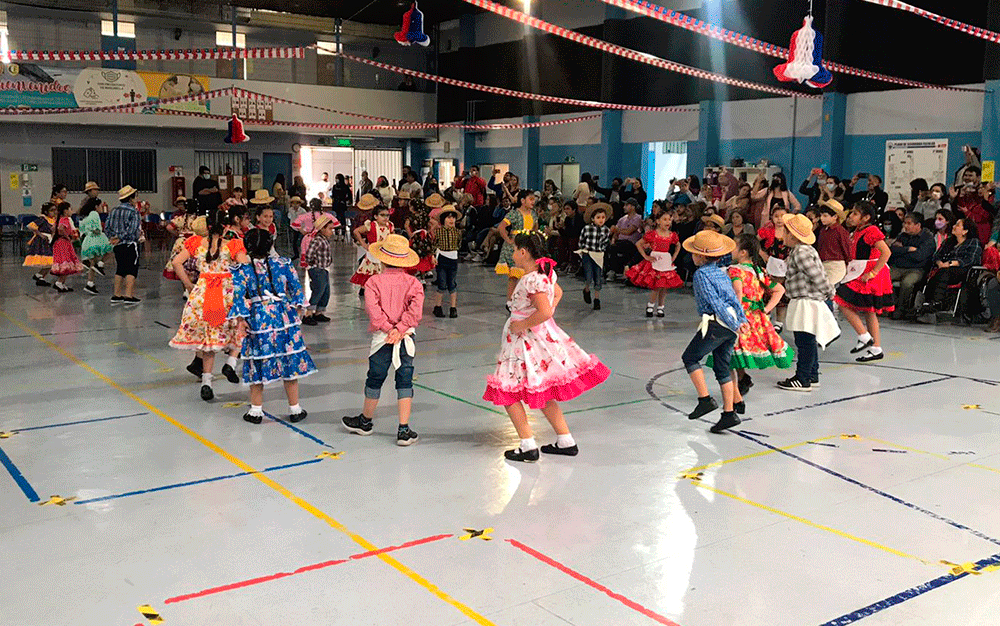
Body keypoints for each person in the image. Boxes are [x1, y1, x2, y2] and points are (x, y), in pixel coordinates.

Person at [483, 233, 610, 461]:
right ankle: (565, 440)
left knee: (508, 389)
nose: (512, 255)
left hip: (524, 340)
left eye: (514, 251)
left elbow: (545, 311)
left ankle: (527, 444)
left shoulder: (532, 278)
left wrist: (523, 323)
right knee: (542, 387)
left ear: (524, 252)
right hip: (537, 336)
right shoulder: (545, 273)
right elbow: (557, 294)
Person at [342, 234, 424, 446]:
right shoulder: (414, 283)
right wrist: (400, 329)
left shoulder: (373, 282)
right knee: (404, 380)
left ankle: (366, 421)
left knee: (375, 377)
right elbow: (415, 312)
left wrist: (389, 330)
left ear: (382, 258)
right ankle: (403, 429)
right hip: (406, 338)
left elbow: (373, 311)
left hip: (382, 338)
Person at [229, 229, 316, 424]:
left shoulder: (241, 270)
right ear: (270, 246)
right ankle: (295, 408)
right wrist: (299, 311)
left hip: (258, 319)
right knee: (288, 360)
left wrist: (241, 321)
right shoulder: (284, 264)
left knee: (257, 361)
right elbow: (296, 290)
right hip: (284, 317)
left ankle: (256, 410)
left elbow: (238, 298)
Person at [169, 208, 249, 401]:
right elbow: (245, 268)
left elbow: (176, 262)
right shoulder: (233, 245)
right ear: (226, 226)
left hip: (203, 292)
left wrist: (188, 284)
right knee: (242, 327)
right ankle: (231, 362)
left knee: (208, 341)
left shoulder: (196, 243)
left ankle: (206, 382)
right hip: (224, 292)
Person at [708, 234, 793, 407]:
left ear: (743, 252)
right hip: (755, 318)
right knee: (737, 350)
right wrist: (766, 310)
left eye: (734, 246)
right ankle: (741, 380)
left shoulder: (735, 270)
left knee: (729, 351)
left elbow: (737, 294)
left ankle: (735, 392)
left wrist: (731, 315)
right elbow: (779, 290)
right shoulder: (759, 271)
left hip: (740, 317)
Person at [680, 231, 748, 434]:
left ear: (700, 257)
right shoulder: (721, 271)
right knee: (722, 366)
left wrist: (732, 323)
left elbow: (715, 302)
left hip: (717, 323)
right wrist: (740, 320)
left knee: (690, 358)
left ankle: (704, 399)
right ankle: (728, 413)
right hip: (730, 326)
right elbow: (733, 299)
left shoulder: (701, 274)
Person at [779, 213, 839, 391]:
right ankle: (812, 375)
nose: (782, 235)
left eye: (785, 231)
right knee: (809, 340)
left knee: (804, 341)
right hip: (805, 301)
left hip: (805, 301)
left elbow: (816, 275)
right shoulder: (804, 250)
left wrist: (830, 291)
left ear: (793, 235)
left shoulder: (800, 252)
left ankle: (802, 377)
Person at [834, 201, 893, 362]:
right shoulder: (857, 231)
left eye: (855, 213)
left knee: (841, 300)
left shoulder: (871, 231)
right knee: (869, 310)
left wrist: (873, 272)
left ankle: (864, 335)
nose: (850, 216)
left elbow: (886, 252)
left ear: (866, 217)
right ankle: (876, 348)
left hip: (868, 273)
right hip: (859, 270)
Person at [917, 217, 983, 319]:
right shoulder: (949, 242)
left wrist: (951, 263)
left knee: (944, 273)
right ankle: (928, 304)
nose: (953, 227)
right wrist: (939, 263)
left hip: (963, 270)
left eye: (957, 225)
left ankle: (936, 303)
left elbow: (972, 259)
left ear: (965, 231)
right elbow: (936, 256)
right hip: (943, 268)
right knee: (938, 274)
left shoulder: (973, 242)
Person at [627, 209, 683, 317]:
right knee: (656, 286)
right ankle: (650, 305)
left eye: (669, 220)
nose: (668, 222)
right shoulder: (653, 234)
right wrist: (646, 256)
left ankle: (661, 307)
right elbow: (639, 243)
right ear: (658, 221)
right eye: (664, 219)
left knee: (664, 286)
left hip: (666, 260)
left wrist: (674, 256)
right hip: (656, 260)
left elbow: (678, 244)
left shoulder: (671, 235)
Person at [496, 189, 541, 300]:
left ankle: (526, 298)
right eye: (530, 199)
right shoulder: (515, 213)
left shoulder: (533, 214)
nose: (533, 202)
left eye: (533, 200)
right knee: (514, 275)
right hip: (516, 247)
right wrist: (508, 240)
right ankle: (510, 300)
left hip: (527, 247)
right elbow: (501, 227)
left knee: (529, 273)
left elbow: (535, 227)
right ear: (522, 200)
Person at [889, 212, 936, 318]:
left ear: (918, 225)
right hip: (898, 267)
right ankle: (888, 304)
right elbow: (892, 250)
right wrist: (908, 249)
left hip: (917, 269)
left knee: (907, 283)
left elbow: (919, 256)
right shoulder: (902, 236)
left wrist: (902, 250)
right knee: (883, 276)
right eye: (905, 223)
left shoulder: (928, 239)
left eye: (909, 223)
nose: (906, 226)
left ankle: (901, 308)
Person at [105, 186, 145, 305]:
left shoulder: (113, 210)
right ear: (131, 198)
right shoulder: (134, 211)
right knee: (131, 269)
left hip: (117, 245)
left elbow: (107, 227)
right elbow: (132, 230)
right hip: (130, 244)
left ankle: (116, 295)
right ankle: (128, 295)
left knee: (120, 268)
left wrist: (113, 238)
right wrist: (121, 237)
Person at [302, 214, 336, 326]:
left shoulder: (325, 240)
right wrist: (312, 263)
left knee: (326, 291)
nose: (332, 231)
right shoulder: (317, 240)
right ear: (322, 229)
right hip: (317, 269)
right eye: (330, 229)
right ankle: (308, 313)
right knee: (318, 290)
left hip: (324, 269)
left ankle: (319, 312)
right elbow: (309, 255)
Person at [352, 205, 394, 292]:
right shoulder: (371, 225)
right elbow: (356, 231)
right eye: (382, 215)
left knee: (382, 271)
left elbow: (393, 236)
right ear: (375, 216)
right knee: (370, 271)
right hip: (373, 253)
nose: (385, 218)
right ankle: (366, 289)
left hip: (385, 253)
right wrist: (363, 244)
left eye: (387, 215)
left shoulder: (390, 226)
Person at [431, 206, 463, 318]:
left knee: (452, 284)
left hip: (453, 259)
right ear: (443, 219)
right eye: (448, 217)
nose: (451, 220)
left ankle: (453, 308)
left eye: (453, 217)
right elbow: (434, 245)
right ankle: (438, 307)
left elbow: (459, 244)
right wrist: (433, 256)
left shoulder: (458, 232)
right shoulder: (439, 232)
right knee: (442, 283)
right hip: (442, 258)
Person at [579, 203, 611, 311]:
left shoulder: (606, 230)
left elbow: (606, 242)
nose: (601, 220)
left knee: (598, 277)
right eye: (598, 217)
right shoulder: (587, 228)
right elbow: (581, 240)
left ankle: (597, 299)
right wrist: (583, 251)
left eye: (603, 217)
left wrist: (603, 250)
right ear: (593, 219)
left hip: (599, 255)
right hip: (588, 254)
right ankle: (586, 289)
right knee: (588, 276)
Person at [816, 201, 852, 295]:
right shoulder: (823, 230)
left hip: (836, 265)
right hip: (823, 264)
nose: (821, 218)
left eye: (825, 216)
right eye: (821, 215)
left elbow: (847, 249)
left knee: (828, 291)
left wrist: (848, 262)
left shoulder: (840, 231)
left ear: (835, 217)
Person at [78, 197, 112, 295]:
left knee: (92, 263)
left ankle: (90, 283)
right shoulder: (94, 214)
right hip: (96, 238)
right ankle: (100, 264)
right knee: (109, 250)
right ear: (96, 206)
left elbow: (82, 229)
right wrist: (98, 230)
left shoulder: (86, 216)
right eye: (100, 206)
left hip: (87, 240)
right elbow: (97, 228)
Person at [49, 202, 83, 292]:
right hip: (63, 243)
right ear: (65, 211)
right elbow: (60, 228)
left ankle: (62, 282)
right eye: (70, 209)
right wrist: (67, 236)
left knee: (65, 263)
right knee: (66, 262)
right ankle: (59, 282)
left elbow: (53, 228)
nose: (72, 211)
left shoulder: (59, 219)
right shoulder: (65, 219)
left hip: (60, 242)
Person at [24, 202, 57, 286]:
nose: (54, 212)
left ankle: (40, 276)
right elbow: (31, 226)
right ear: (46, 212)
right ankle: (39, 276)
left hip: (49, 240)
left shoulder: (54, 220)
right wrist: (41, 235)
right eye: (52, 210)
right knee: (49, 260)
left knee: (50, 262)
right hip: (42, 242)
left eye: (55, 210)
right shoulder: (43, 219)